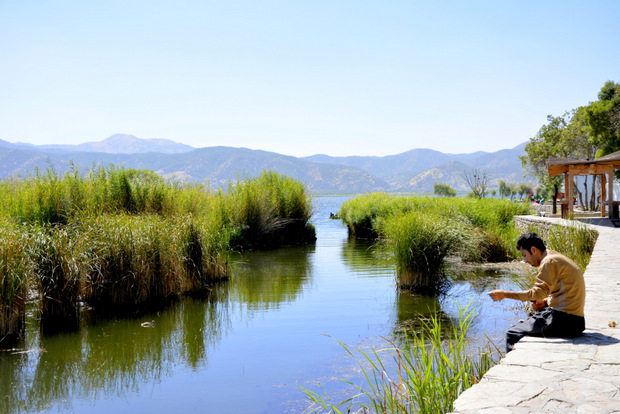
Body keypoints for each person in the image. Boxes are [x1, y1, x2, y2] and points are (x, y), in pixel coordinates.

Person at [487, 232, 586, 352]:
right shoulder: (553, 256)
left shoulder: (549, 262)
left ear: (533, 250)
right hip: (575, 320)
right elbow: (563, 292)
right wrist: (545, 302)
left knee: (512, 333)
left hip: (565, 321)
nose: (525, 261)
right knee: (523, 323)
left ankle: (517, 368)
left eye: (524, 255)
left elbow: (536, 294)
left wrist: (504, 294)